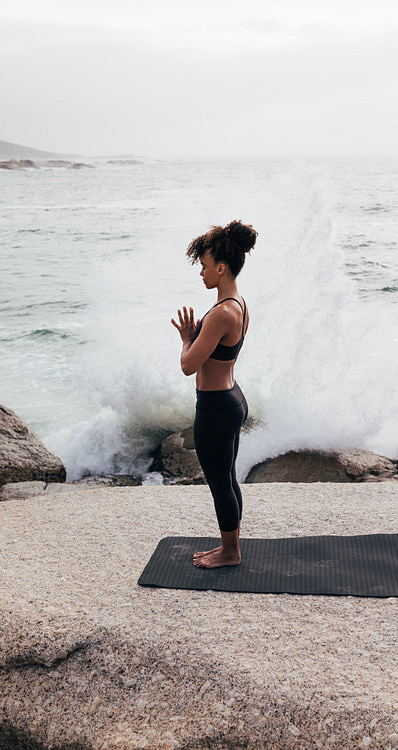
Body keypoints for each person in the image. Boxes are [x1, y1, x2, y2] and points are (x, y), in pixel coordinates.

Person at [171, 220, 257, 568]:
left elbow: (188, 366)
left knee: (220, 483)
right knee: (228, 477)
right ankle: (230, 544)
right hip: (231, 398)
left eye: (205, 266)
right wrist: (195, 337)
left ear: (221, 268)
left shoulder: (223, 312)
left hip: (215, 407)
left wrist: (187, 341)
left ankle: (230, 552)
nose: (202, 273)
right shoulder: (238, 304)